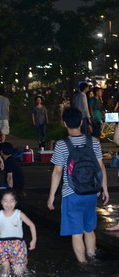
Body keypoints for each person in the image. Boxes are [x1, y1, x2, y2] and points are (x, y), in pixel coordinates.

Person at [47, 107, 109, 263]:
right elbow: (101, 167)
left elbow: (57, 172)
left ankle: (83, 266)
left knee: (76, 233)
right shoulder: (93, 142)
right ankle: (93, 258)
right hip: (91, 192)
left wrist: (51, 196)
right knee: (89, 229)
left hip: (71, 193)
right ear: (81, 122)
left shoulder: (61, 144)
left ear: (65, 123)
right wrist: (105, 190)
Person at [0, 189, 37, 276]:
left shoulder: (19, 214)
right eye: (5, 201)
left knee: (18, 271)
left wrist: (34, 240)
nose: (8, 204)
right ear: (1, 202)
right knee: (5, 268)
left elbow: (31, 225)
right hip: (3, 244)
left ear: (15, 202)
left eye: (11, 201)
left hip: (18, 244)